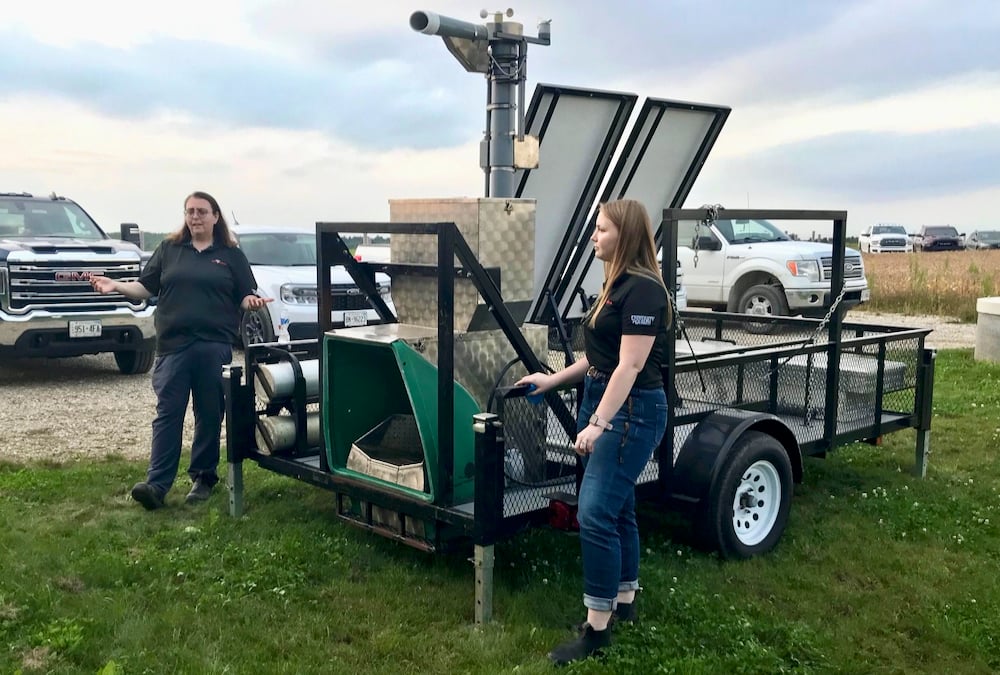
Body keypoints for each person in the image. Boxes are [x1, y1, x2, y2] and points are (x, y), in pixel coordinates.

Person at [516, 199, 670, 666]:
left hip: (632, 412)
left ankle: (597, 627)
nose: (593, 237)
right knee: (620, 509)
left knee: (596, 513)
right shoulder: (615, 285)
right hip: (609, 400)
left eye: (601, 229)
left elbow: (631, 365)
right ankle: (625, 600)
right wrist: (552, 379)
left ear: (624, 235)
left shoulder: (643, 290)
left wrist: (598, 423)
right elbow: (600, 358)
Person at [91, 191, 271, 510]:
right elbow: (145, 288)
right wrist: (116, 285)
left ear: (216, 216)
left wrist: (252, 303)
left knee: (209, 413)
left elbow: (244, 296)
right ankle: (156, 485)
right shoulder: (170, 249)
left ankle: (203, 477)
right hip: (173, 346)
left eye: (202, 211)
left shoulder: (231, 255)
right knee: (168, 414)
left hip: (213, 346)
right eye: (190, 211)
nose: (195, 217)